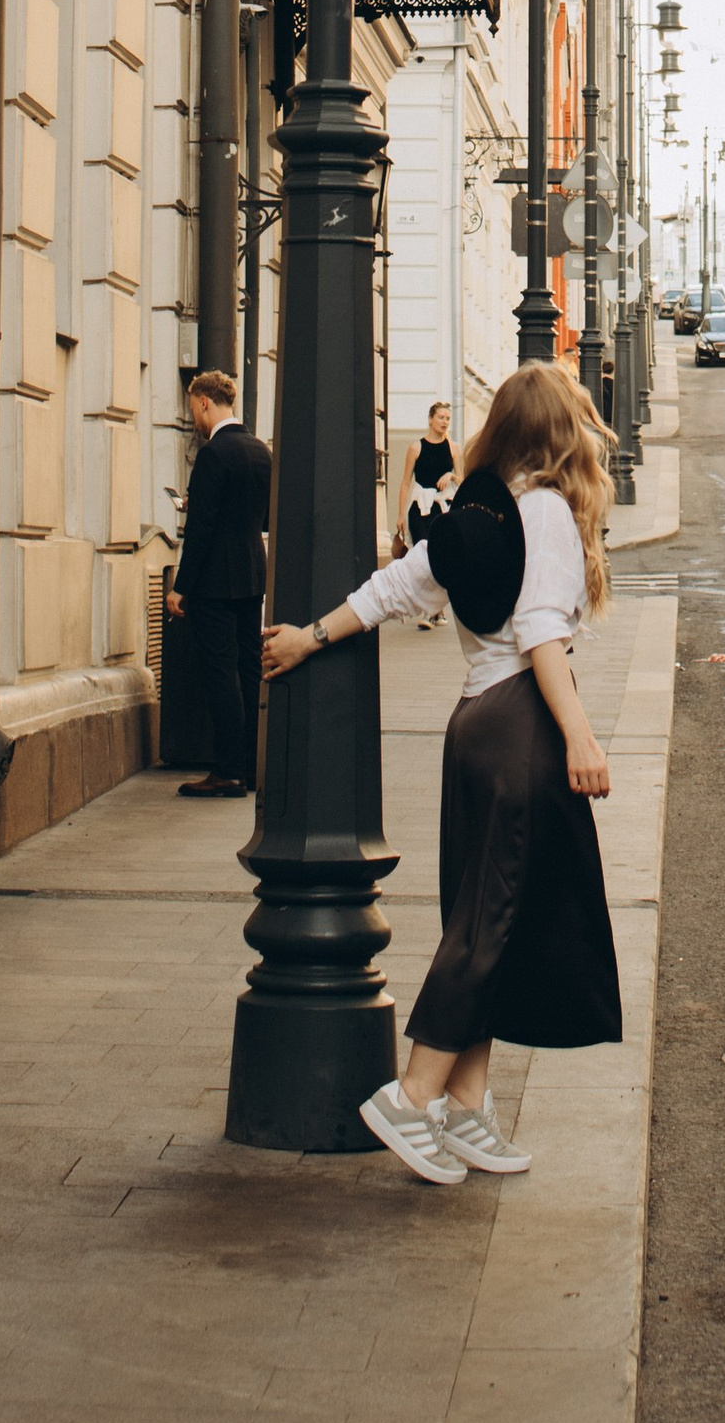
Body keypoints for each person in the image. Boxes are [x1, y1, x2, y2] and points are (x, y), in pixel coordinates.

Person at [262, 358, 621, 1183]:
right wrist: (581, 739)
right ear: (562, 434)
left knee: (488, 915)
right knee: (489, 923)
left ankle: (465, 1106)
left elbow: (397, 586)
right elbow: (541, 633)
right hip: (523, 724)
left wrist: (310, 636)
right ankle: (412, 1096)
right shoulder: (547, 514)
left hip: (473, 725)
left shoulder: (478, 514)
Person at [162, 367, 271, 797]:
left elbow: (202, 530)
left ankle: (227, 771)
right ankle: (252, 766)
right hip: (251, 574)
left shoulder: (212, 455)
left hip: (214, 582)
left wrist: (181, 587)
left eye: (194, 410)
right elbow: (260, 517)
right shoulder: (259, 451)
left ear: (205, 402)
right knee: (249, 669)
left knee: (221, 673)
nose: (194, 419)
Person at [397, 399, 457, 546]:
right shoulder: (416, 447)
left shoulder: (453, 447)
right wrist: (401, 515)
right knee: (422, 550)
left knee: (442, 551)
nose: (445, 422)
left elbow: (462, 478)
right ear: (430, 419)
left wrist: (450, 475)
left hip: (444, 508)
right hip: (420, 507)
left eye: (448, 418)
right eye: (441, 417)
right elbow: (406, 483)